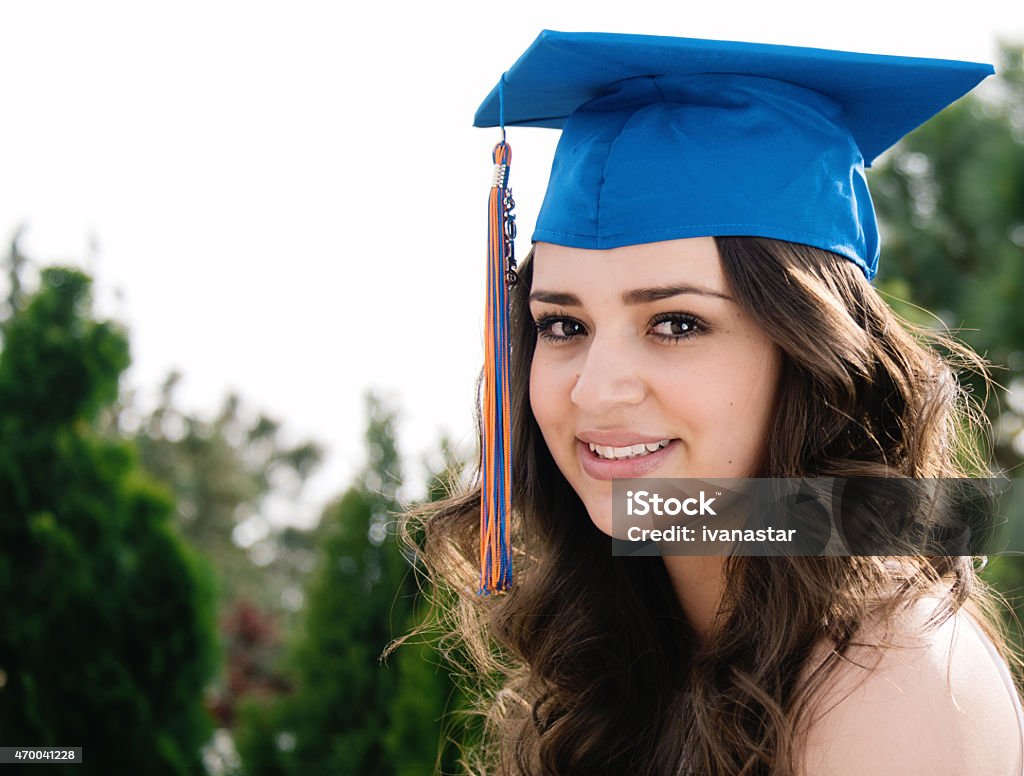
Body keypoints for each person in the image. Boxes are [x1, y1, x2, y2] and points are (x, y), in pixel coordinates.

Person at [406, 31, 1024, 775]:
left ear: (808, 353)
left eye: (676, 324)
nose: (595, 389)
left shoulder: (889, 680)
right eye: (562, 325)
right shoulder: (643, 651)